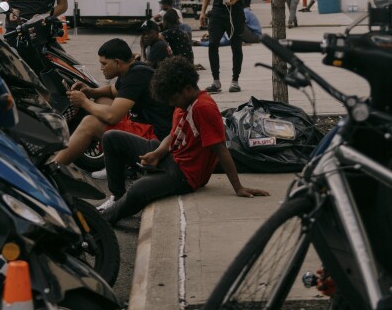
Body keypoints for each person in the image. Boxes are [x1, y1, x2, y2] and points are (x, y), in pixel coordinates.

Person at [97, 56, 270, 224]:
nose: (172, 104)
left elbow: (221, 149)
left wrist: (238, 187)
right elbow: (173, 134)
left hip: (184, 175)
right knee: (111, 137)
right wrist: (157, 153)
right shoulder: (184, 103)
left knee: (137, 190)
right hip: (169, 156)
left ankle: (101, 223)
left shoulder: (204, 108)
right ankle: (117, 197)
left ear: (187, 89)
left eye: (173, 99)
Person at [53, 38, 173, 168]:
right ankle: (115, 161)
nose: (101, 68)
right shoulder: (133, 69)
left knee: (90, 123)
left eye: (104, 64)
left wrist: (83, 101)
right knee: (102, 100)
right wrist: (90, 92)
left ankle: (54, 168)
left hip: (156, 139)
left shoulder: (137, 76)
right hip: (147, 125)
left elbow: (112, 116)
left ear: (117, 62)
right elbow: (112, 90)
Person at [194, 6, 261, 46]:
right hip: (250, 34)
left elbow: (236, 24)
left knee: (232, 24)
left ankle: (212, 39)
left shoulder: (244, 12)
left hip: (255, 37)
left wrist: (200, 43)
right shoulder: (240, 11)